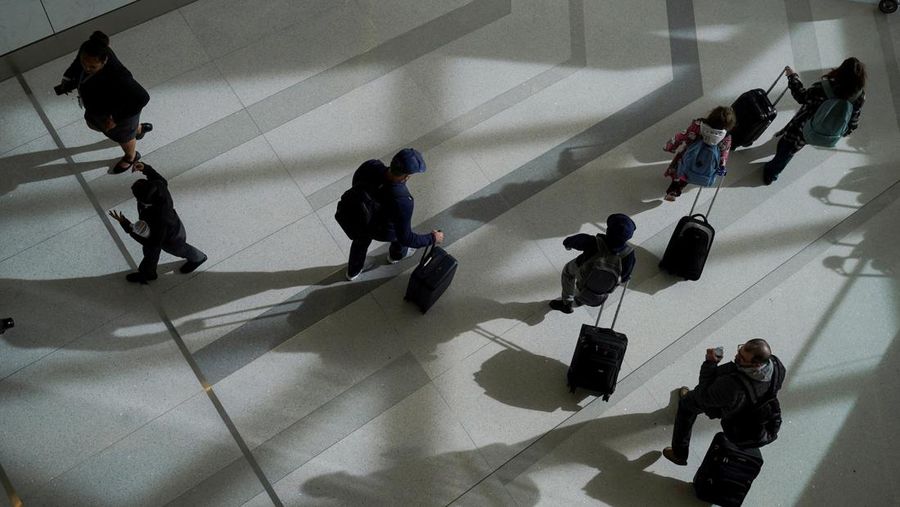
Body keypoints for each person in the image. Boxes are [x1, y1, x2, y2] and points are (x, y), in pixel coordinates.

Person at [663, 338, 786, 466]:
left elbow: (703, 394)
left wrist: (710, 363)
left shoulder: (733, 388)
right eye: (740, 350)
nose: (736, 356)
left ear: (756, 365)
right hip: (745, 404)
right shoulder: (776, 366)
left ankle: (679, 454)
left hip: (726, 403)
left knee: (687, 404)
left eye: (742, 358)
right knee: (700, 397)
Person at [55, 31, 151, 173]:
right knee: (93, 124)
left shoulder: (119, 76)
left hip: (119, 114)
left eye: (93, 67)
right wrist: (68, 77)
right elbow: (77, 63)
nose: (87, 69)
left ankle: (131, 156)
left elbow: (142, 97)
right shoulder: (88, 49)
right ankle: (138, 129)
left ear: (104, 61)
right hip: (100, 109)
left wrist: (115, 119)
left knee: (124, 138)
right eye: (84, 64)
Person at [763, 58, 866, 185]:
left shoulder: (824, 87)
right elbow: (854, 119)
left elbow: (802, 96)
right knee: (796, 146)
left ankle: (771, 173)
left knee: (786, 148)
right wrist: (844, 131)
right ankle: (774, 168)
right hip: (824, 131)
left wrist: (792, 77)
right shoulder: (859, 95)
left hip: (803, 126)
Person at [345, 148, 443, 281]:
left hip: (360, 218)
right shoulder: (403, 200)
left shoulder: (370, 166)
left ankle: (353, 271)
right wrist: (432, 238)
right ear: (407, 176)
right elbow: (406, 238)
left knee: (360, 243)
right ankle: (396, 256)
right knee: (398, 236)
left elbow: (355, 185)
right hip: (383, 231)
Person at [108, 162, 206, 283]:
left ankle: (198, 258)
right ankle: (149, 273)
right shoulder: (158, 188)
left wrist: (127, 225)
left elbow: (152, 243)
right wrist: (146, 169)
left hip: (169, 238)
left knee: (171, 250)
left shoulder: (159, 218)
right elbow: (159, 180)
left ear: (142, 200)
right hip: (170, 229)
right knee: (154, 254)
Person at [549, 214, 636, 314]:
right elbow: (624, 277)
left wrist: (568, 245)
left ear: (608, 231)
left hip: (583, 274)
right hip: (602, 288)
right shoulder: (629, 255)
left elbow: (569, 241)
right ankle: (580, 301)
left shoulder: (593, 242)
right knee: (589, 290)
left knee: (568, 272)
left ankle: (566, 303)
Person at [662, 106, 735, 201]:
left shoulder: (698, 125)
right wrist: (722, 165)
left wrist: (670, 146)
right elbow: (724, 154)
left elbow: (682, 136)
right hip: (705, 164)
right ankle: (679, 187)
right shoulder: (726, 137)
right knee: (690, 173)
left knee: (680, 168)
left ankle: (673, 188)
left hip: (687, 155)